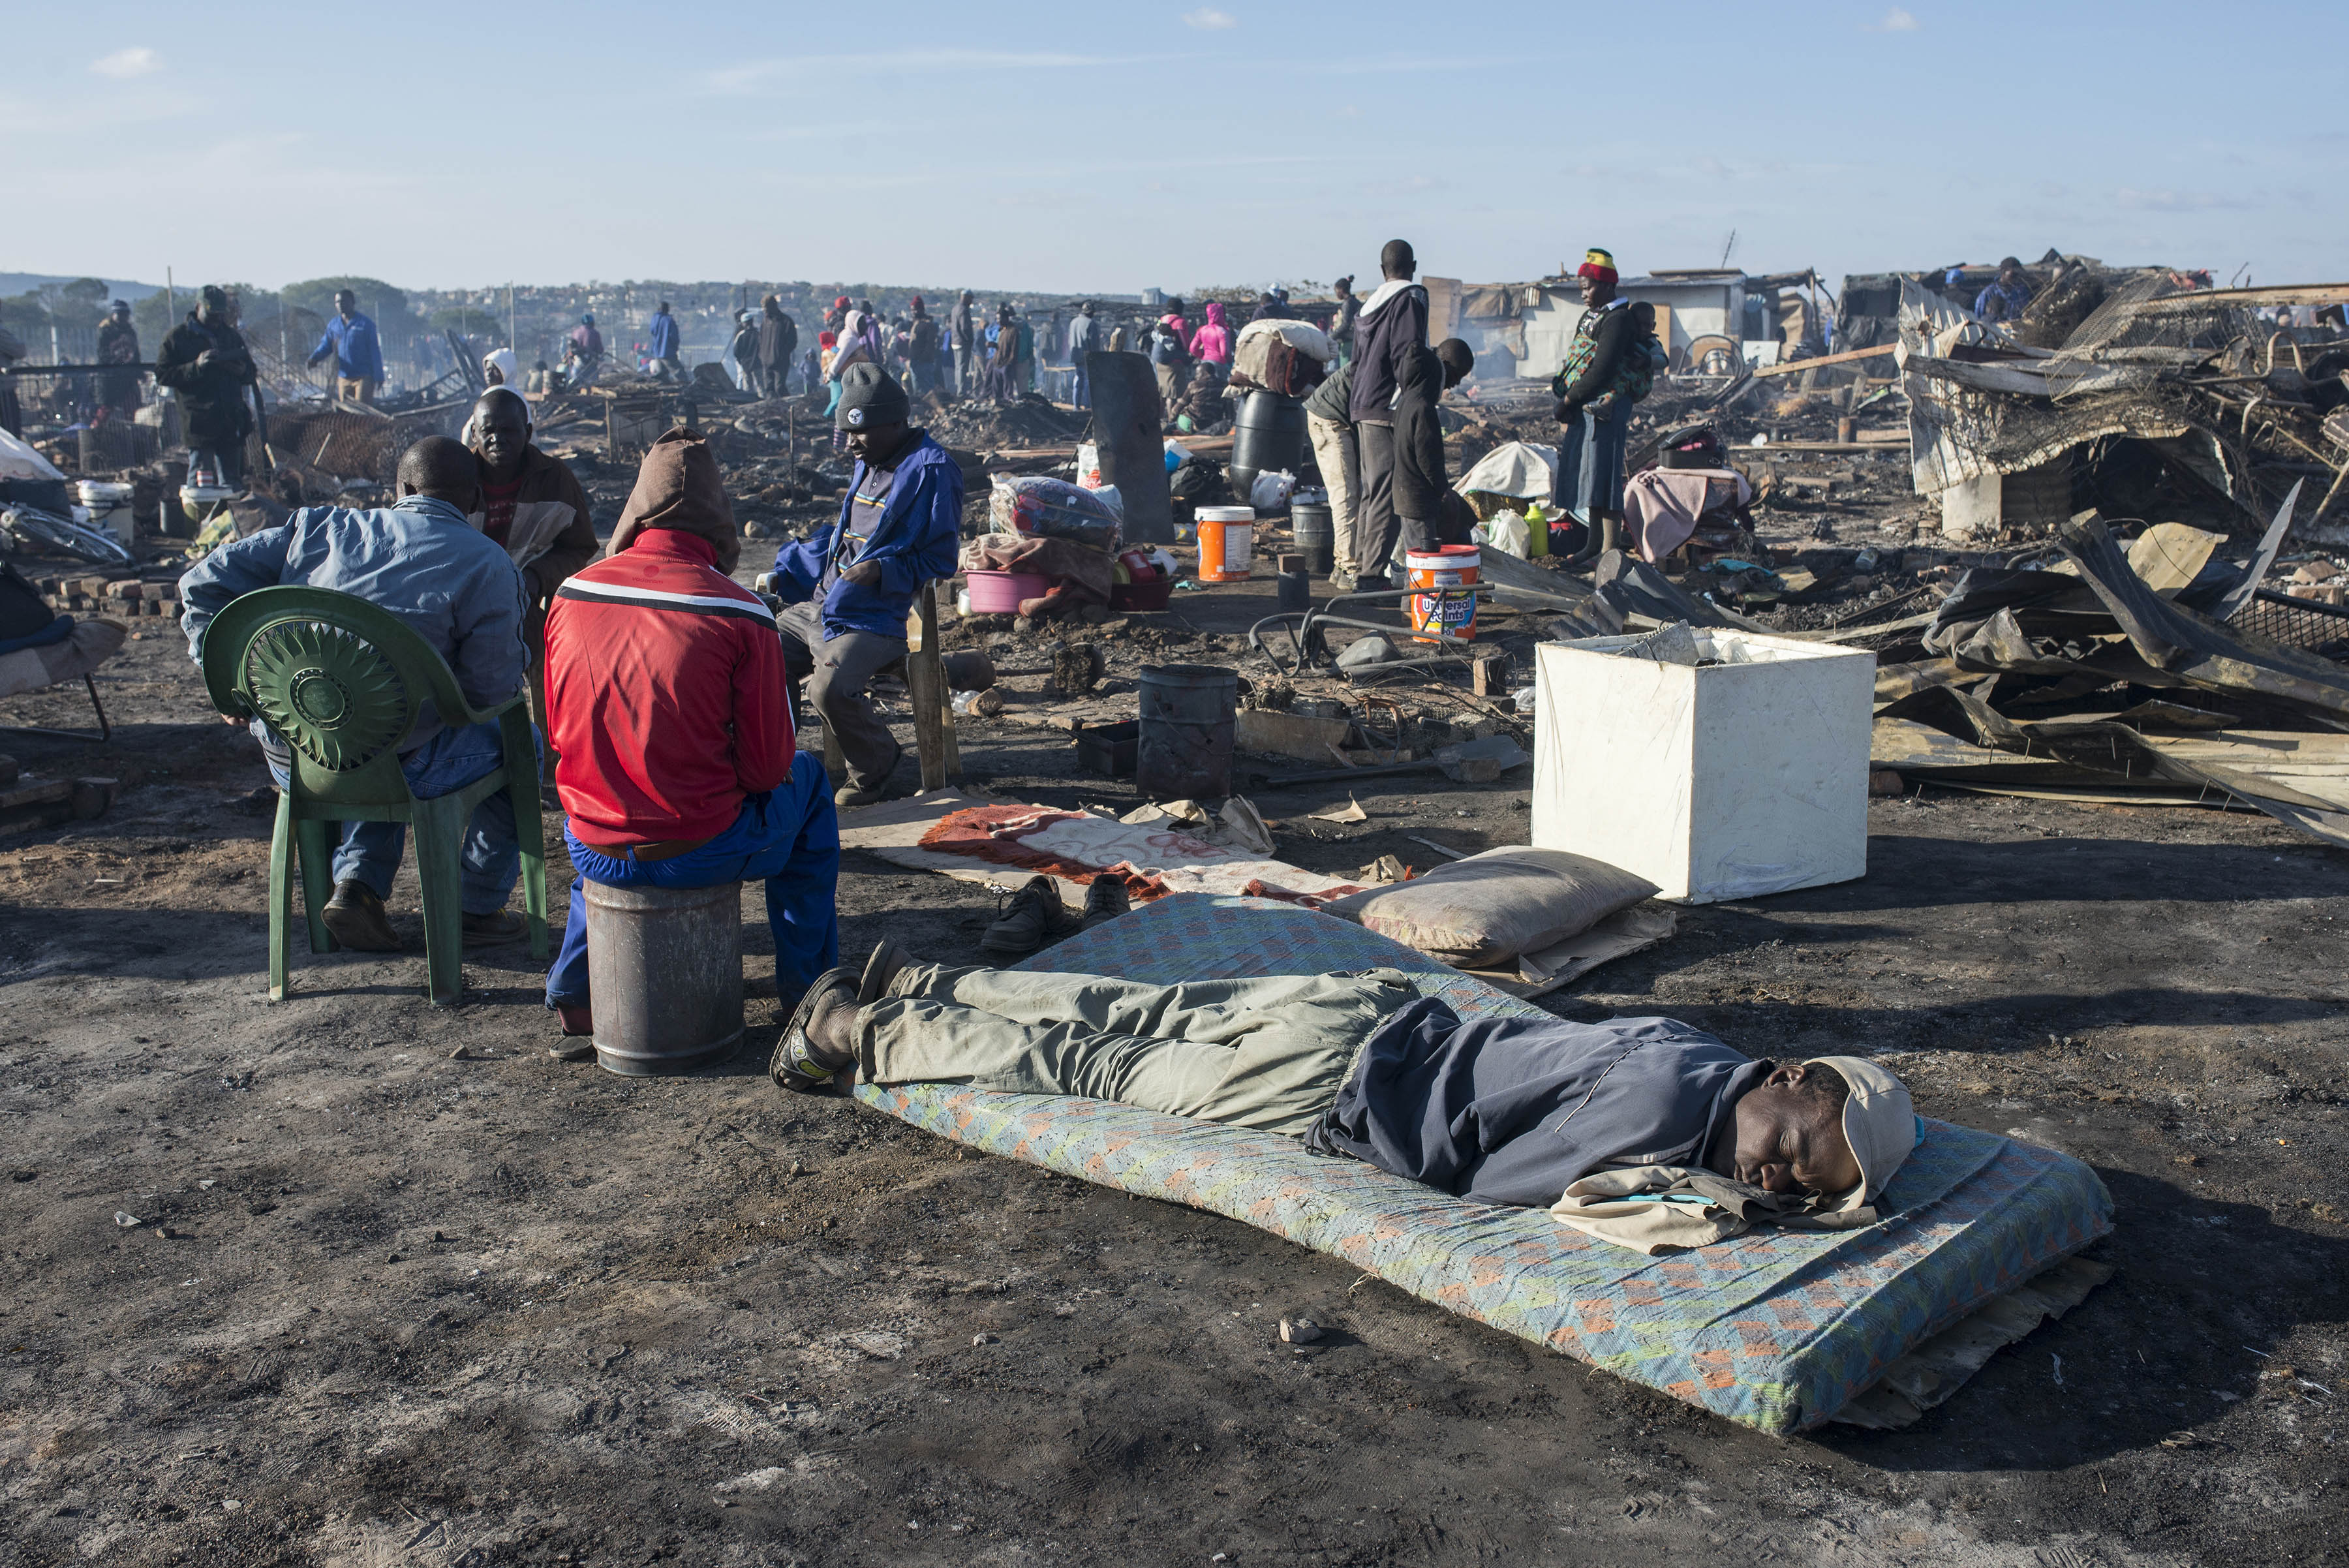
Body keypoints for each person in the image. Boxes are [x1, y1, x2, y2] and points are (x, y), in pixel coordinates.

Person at [769, 951, 1918, 1242]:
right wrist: (1700, 1197)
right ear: (1800, 1080)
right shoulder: (1679, 1113)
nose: (1768, 1175)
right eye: (1796, 1153)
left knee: (1135, 1013)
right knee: (1100, 1068)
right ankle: (856, 1029)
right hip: (1329, 1082)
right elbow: (1504, 1186)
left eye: (1791, 1190)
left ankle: (931, 979)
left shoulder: (1692, 1048)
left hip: (1370, 1012)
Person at [541, 427, 839, 1042]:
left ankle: (575, 992)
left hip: (590, 841)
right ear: (721, 522)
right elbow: (763, 771)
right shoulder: (740, 612)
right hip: (697, 850)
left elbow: (559, 732)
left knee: (605, 796)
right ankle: (808, 992)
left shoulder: (570, 595)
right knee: (807, 782)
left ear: (634, 512)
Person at [177, 436, 533, 951]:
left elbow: (200, 584)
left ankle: (358, 887)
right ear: (475, 499)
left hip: (295, 752)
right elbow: (487, 692)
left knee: (372, 720)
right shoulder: (488, 563)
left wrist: (229, 682)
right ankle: (475, 908)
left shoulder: (316, 526)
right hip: (397, 757)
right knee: (514, 746)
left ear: (401, 489)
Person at [769, 364, 962, 807]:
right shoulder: (869, 462)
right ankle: (774, 766)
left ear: (896, 422)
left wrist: (882, 570)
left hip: (874, 617)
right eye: (847, 432)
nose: (851, 443)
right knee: (757, 655)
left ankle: (876, 763)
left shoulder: (933, 471)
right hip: (824, 604)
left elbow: (941, 560)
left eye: (861, 432)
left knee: (828, 688)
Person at [463, 386, 598, 728]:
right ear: (475, 434)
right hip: (461, 603)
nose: (497, 439)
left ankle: (546, 757)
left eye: (508, 430)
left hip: (522, 600)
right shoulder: (456, 477)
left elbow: (580, 546)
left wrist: (537, 577)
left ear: (528, 432)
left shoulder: (555, 480)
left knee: (548, 654)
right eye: (488, 431)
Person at [1350, 241, 1431, 590]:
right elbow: (1408, 354)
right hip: (1388, 406)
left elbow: (1355, 362)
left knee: (1372, 491)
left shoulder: (1369, 303)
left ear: (1383, 270)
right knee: (1387, 492)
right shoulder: (1410, 298)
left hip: (1363, 404)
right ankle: (1369, 578)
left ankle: (1360, 566)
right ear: (1412, 266)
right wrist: (1416, 399)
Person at [1552, 249, 1642, 547]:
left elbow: (1601, 369)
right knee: (1589, 478)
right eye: (1581, 288)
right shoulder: (1593, 317)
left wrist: (1569, 400)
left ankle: (1608, 548)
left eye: (1588, 288)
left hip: (1606, 408)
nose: (1584, 294)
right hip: (1586, 405)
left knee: (1605, 477)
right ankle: (1592, 545)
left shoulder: (1618, 319)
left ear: (1607, 286)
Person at [154, 284, 259, 488]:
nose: (216, 320)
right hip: (200, 424)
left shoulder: (230, 337)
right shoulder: (177, 338)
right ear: (198, 307)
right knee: (201, 485)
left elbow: (250, 372)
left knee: (232, 485)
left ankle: (231, 519)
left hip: (230, 423)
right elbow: (163, 375)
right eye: (211, 315)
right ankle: (199, 520)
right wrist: (196, 366)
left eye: (220, 315)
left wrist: (240, 371)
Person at [1303, 359, 1362, 585]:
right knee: (1345, 495)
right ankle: (1349, 569)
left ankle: (1341, 566)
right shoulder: (1401, 361)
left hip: (1333, 414)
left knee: (1349, 493)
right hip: (1330, 419)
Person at [306, 289, 385, 405]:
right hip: (344, 377)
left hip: (363, 376)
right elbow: (326, 346)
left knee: (361, 410)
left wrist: (379, 375)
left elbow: (374, 351)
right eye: (337, 302)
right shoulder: (334, 325)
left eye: (343, 301)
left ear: (352, 302)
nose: (340, 305)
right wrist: (315, 358)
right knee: (346, 412)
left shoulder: (365, 324)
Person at [95, 300, 142, 415]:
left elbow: (136, 353)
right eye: (120, 314)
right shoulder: (105, 330)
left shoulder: (130, 331)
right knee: (106, 411)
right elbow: (102, 355)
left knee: (132, 411)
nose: (123, 317)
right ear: (114, 314)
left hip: (128, 380)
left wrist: (139, 372)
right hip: (109, 380)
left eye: (125, 314)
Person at [758, 295, 799, 398]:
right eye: (763, 308)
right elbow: (760, 340)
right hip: (766, 362)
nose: (764, 311)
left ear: (773, 306)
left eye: (766, 308)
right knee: (769, 389)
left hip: (781, 362)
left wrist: (782, 355)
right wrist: (762, 356)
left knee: (779, 388)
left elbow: (792, 342)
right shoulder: (765, 322)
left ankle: (789, 407)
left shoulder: (786, 321)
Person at [904, 296, 942, 397]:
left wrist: (922, 358)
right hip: (915, 362)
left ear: (921, 310)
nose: (913, 312)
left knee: (927, 391)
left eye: (915, 310)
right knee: (919, 392)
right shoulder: (915, 324)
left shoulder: (928, 325)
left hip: (924, 363)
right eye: (912, 310)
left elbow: (930, 345)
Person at [1974, 258, 2033, 324]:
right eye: (2014, 274)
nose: (2017, 277)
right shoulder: (1988, 293)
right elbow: (1979, 319)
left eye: (2019, 274)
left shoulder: (2022, 292)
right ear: (2004, 272)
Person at [1066, 300, 1098, 409]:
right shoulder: (1091, 323)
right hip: (1088, 356)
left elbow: (1070, 341)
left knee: (1078, 379)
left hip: (1076, 356)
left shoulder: (1073, 322)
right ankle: (1088, 406)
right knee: (1088, 382)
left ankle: (1076, 406)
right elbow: (1094, 343)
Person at [1188, 300, 1234, 369]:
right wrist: (1230, 362)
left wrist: (1203, 356)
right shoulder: (1222, 331)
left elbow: (1193, 349)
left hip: (1205, 362)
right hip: (1219, 363)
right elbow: (1225, 353)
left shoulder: (1202, 330)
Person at [952, 291, 981, 397]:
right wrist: (970, 340)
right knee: (963, 368)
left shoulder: (955, 308)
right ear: (966, 298)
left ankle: (958, 389)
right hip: (963, 343)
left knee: (958, 367)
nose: (972, 301)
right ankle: (961, 392)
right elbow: (965, 328)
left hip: (955, 341)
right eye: (971, 298)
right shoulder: (964, 309)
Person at [1328, 275, 1359, 368]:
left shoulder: (1347, 304)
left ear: (1341, 290)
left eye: (1336, 291)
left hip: (1348, 344)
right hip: (1355, 342)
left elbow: (1346, 325)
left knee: (1347, 374)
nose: (1336, 294)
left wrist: (1331, 337)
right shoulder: (1354, 301)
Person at [646, 300, 681, 381]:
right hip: (667, 352)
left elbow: (652, 332)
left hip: (657, 352)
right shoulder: (669, 320)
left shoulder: (654, 319)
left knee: (662, 376)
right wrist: (675, 347)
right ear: (667, 309)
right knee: (679, 374)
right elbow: (674, 337)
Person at [728, 310, 761, 393]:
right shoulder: (759, 334)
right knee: (761, 386)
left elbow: (736, 352)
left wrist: (742, 362)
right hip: (757, 364)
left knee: (748, 388)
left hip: (745, 365)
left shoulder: (741, 335)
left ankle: (749, 403)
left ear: (744, 323)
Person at [569, 315, 605, 389]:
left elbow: (571, 350)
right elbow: (600, 350)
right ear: (592, 323)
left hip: (577, 365)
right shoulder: (595, 333)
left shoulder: (576, 332)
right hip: (591, 365)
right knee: (594, 387)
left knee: (575, 387)